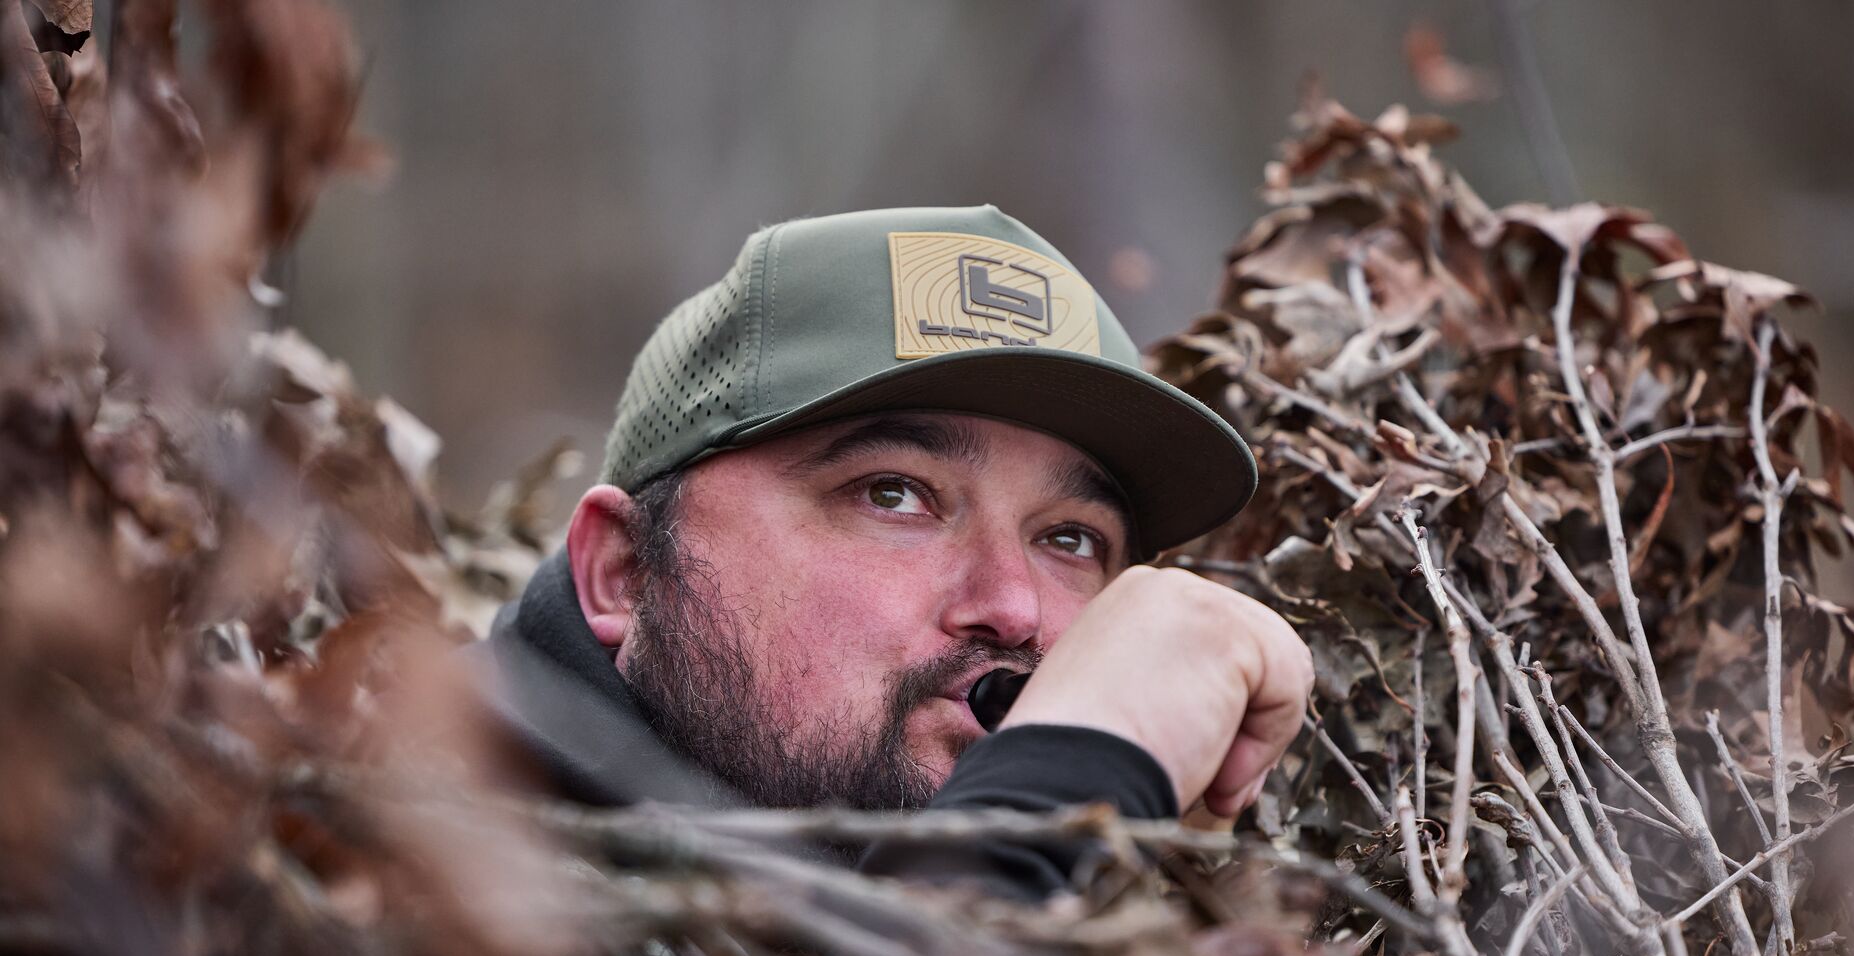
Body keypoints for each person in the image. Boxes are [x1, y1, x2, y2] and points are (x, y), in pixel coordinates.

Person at [478, 205, 1315, 900]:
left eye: (1070, 539)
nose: (1013, 606)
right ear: (625, 573)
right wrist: (1056, 803)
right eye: (894, 494)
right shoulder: (411, 896)